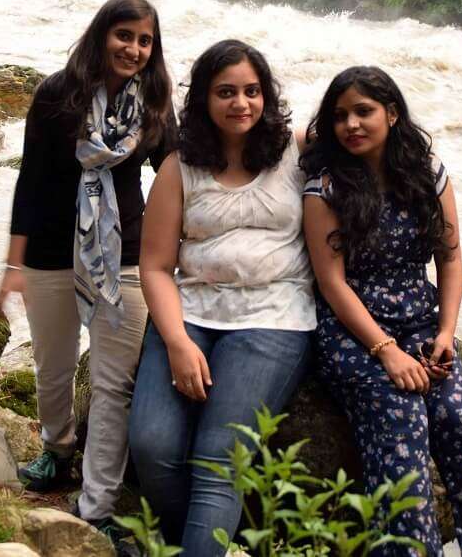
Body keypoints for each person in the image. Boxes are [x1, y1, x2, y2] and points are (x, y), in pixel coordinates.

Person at [301, 66, 462, 556]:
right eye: (340, 116)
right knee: (403, 446)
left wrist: (446, 333)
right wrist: (386, 351)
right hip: (354, 333)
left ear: (392, 114)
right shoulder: (325, 189)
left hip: (421, 323)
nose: (351, 124)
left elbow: (451, 259)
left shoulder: (427, 175)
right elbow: (332, 284)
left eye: (364, 111)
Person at [0, 0, 175, 553]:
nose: (135, 48)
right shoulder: (57, 95)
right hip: (51, 250)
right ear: (103, 34)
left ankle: (96, 502)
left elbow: (176, 176)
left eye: (145, 40)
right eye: (125, 35)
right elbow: (30, 181)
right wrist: (12, 263)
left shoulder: (153, 103)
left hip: (125, 255)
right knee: (52, 367)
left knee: (112, 384)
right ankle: (57, 450)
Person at [129, 39, 315, 557]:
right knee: (152, 446)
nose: (241, 104)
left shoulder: (296, 151)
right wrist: (177, 341)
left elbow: (367, 133)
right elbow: (155, 266)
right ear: (205, 100)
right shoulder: (179, 167)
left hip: (274, 315)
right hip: (190, 311)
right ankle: (185, 543)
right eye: (226, 92)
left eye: (253, 92)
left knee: (218, 457)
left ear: (267, 96)